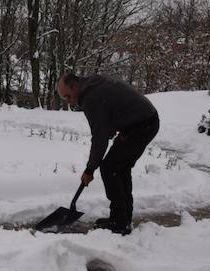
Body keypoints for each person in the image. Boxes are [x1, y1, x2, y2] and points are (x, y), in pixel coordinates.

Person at [56, 73, 159, 235]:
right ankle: (123, 218)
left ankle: (119, 221)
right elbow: (109, 113)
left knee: (110, 168)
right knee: (119, 167)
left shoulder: (90, 98)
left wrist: (90, 169)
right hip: (143, 121)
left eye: (68, 97)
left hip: (141, 125)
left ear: (75, 86)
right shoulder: (92, 85)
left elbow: (99, 138)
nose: (69, 102)